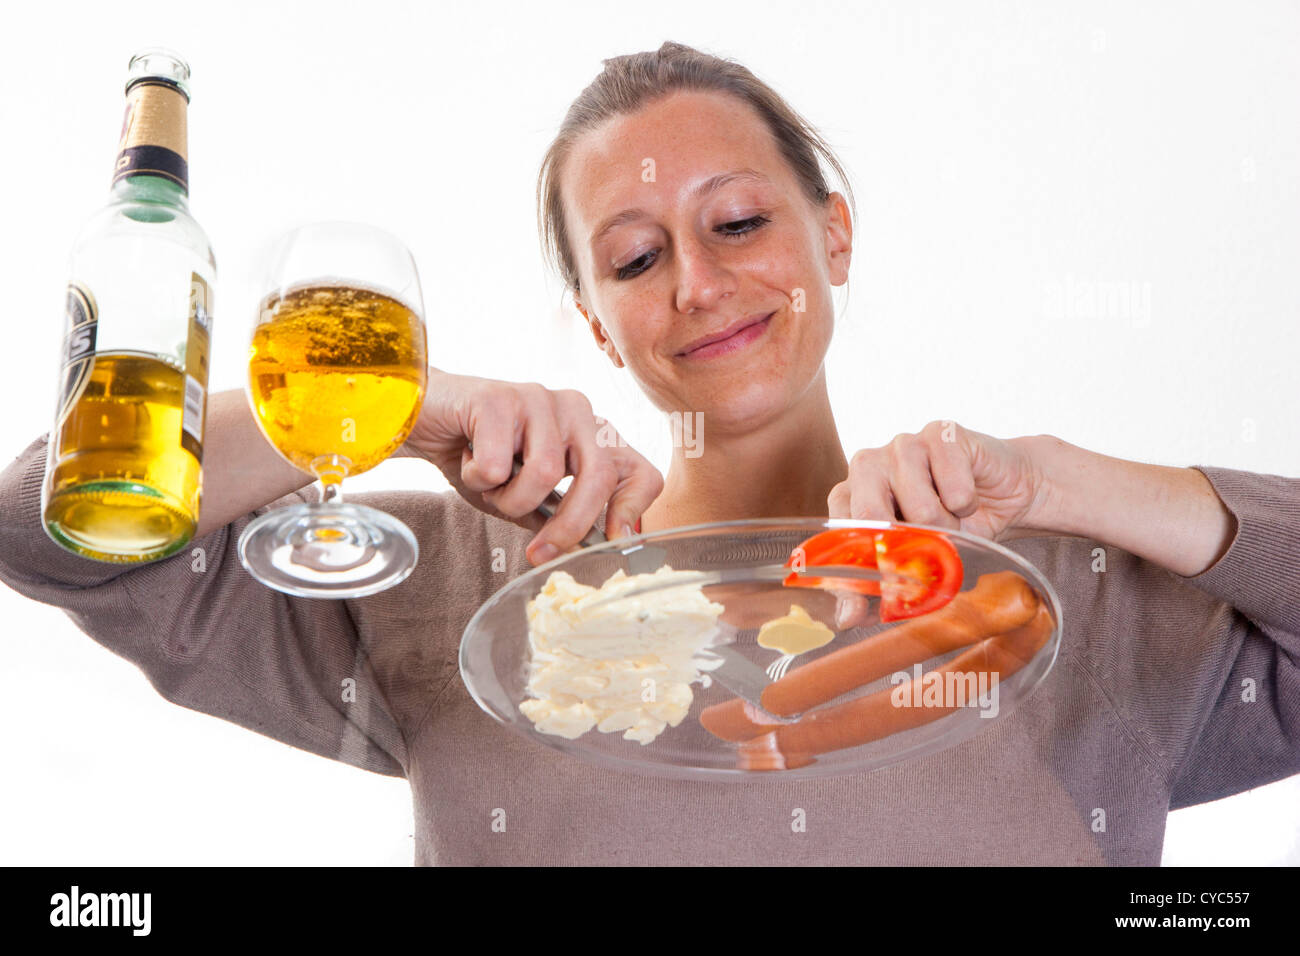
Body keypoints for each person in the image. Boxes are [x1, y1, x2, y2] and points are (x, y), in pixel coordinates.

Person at [2, 40, 1298, 865]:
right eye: (633, 255)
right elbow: (45, 531)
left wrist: (1063, 482)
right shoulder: (450, 582)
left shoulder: (1086, 590)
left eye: (738, 221)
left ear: (834, 236)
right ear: (595, 325)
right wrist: (390, 403)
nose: (697, 280)